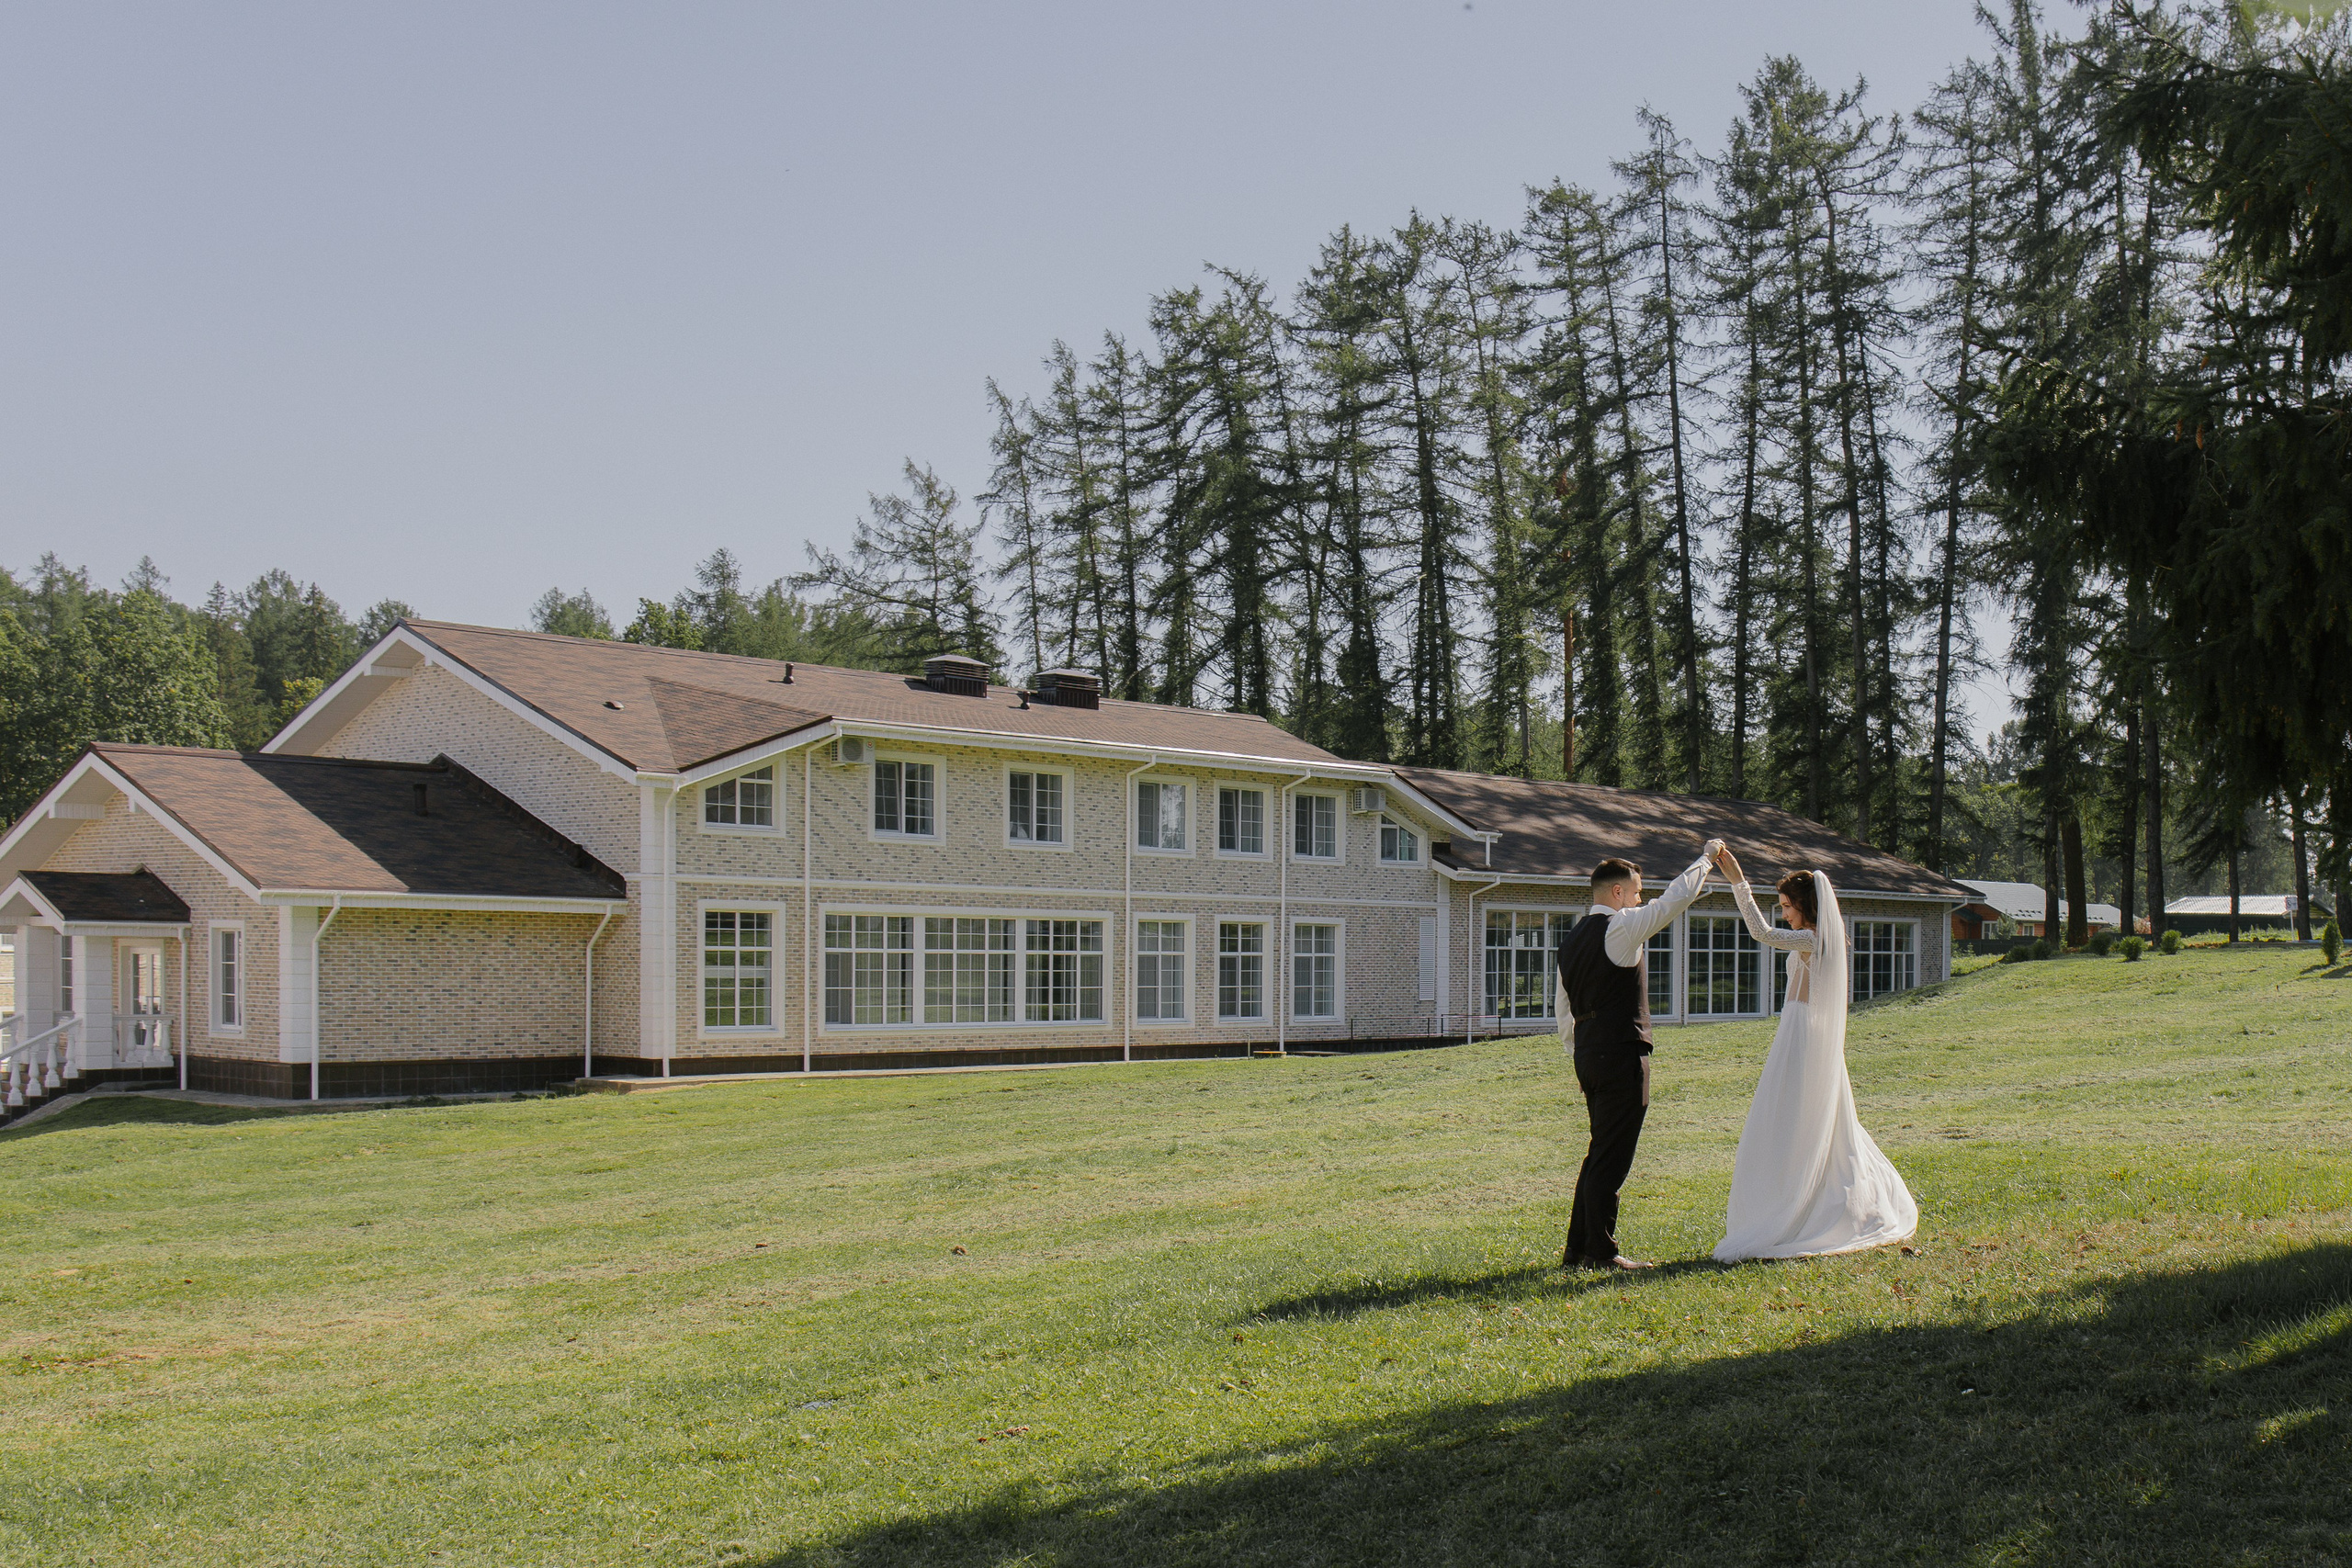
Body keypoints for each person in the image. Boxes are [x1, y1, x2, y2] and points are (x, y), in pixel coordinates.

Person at [1708, 845, 1918, 1262]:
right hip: (1801, 1030)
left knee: (1794, 1116)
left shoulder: (1811, 938)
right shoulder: (1823, 938)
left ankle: (1804, 1203)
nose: (1783, 913)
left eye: (1787, 905)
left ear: (1805, 906)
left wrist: (1738, 882)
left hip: (1803, 1034)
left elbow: (1762, 934)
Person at [1555, 838, 1724, 1270]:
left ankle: (1578, 1249)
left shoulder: (1571, 940)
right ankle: (1601, 1252)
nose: (1639, 899)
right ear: (1617, 894)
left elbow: (1563, 1008)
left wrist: (1581, 1052)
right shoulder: (1622, 925)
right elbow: (1674, 900)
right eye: (1635, 892)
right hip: (1620, 1051)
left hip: (1588, 1052)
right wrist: (1706, 859)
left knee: (1599, 1152)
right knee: (1612, 1156)